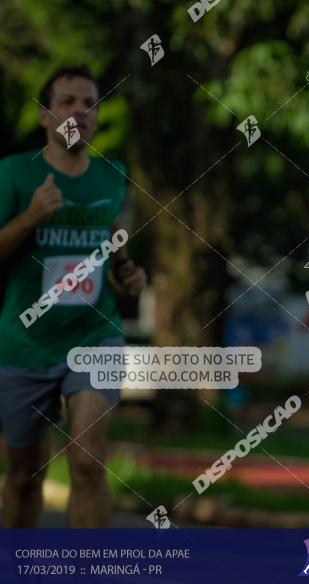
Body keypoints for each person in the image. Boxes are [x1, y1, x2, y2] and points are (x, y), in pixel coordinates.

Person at [0, 65, 146, 527]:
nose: (79, 111)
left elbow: (113, 241)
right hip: (24, 343)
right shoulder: (13, 174)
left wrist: (127, 272)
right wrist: (29, 218)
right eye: (67, 102)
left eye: (89, 103)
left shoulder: (112, 175)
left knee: (86, 461)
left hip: (93, 336)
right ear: (45, 115)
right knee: (24, 474)